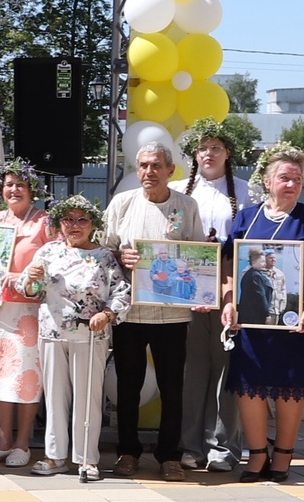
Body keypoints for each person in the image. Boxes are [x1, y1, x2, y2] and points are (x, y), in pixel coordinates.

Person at [103, 139, 210, 477]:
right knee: (128, 386)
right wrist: (122, 256)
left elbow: (198, 254)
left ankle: (169, 455)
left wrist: (202, 289)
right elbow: (103, 251)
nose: (149, 172)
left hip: (172, 314)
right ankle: (127, 452)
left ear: (170, 170)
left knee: (172, 388)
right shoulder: (122, 203)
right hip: (130, 310)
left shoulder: (186, 205)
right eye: (144, 165)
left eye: (156, 166)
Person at [221, 147, 304, 483]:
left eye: (297, 179)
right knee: (249, 384)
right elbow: (228, 264)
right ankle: (256, 454)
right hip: (249, 319)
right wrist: (228, 301)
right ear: (267, 181)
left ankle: (283, 454)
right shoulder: (246, 217)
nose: (291, 184)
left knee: (290, 384)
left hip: (294, 319)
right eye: (284, 178)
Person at [17, 195, 126, 480]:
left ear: (93, 224)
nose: (75, 225)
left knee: (88, 399)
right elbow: (28, 288)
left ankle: (87, 459)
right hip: (53, 332)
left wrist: (108, 314)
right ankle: (54, 456)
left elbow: (121, 292)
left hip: (90, 335)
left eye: (82, 220)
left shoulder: (104, 256)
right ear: (59, 223)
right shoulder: (48, 251)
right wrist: (31, 279)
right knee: (55, 397)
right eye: (68, 219)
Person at [177, 124, 257, 471]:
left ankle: (224, 447)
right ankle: (190, 445)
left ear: (228, 153)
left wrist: (231, 294)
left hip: (229, 292)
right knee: (193, 372)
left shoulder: (246, 192)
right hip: (188, 293)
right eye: (202, 148)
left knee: (227, 370)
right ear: (194, 155)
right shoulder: (179, 190)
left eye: (216, 148)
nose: (208, 154)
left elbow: (251, 245)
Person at [0, 161, 53, 466]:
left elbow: (55, 263)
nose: (14, 189)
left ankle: (23, 444)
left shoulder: (45, 222)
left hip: (28, 309)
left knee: (26, 376)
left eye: (20, 184)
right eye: (8, 184)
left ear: (32, 189)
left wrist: (22, 276)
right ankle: (3, 442)